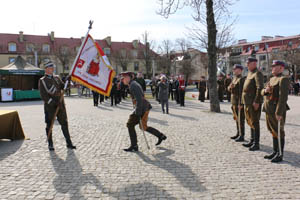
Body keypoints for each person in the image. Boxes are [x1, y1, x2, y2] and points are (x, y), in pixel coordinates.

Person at [121, 72, 167, 152]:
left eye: (124, 77)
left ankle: (134, 145)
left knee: (130, 124)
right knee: (142, 126)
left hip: (143, 108)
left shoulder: (133, 85)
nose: (123, 79)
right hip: (142, 107)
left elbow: (139, 99)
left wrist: (138, 112)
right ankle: (160, 136)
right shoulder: (132, 84)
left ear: (129, 78)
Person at [39, 60, 76, 151]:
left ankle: (69, 142)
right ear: (46, 69)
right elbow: (44, 96)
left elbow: (63, 87)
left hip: (61, 104)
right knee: (49, 124)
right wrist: (54, 103)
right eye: (51, 68)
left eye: (53, 68)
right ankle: (50, 143)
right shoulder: (42, 80)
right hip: (50, 106)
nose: (53, 69)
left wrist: (68, 81)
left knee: (64, 123)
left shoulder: (57, 78)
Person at [261, 60, 290, 163]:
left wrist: (279, 112)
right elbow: (262, 91)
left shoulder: (283, 79)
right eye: (272, 66)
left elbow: (283, 98)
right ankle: (274, 151)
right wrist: (266, 91)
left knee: (279, 131)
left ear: (281, 68)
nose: (272, 68)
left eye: (275, 66)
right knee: (272, 130)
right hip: (268, 109)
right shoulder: (271, 79)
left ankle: (280, 154)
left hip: (276, 110)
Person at [241, 57, 264, 151]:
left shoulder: (257, 73)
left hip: (253, 102)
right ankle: (252, 140)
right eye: (247, 63)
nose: (246, 64)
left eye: (248, 63)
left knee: (255, 121)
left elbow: (260, 88)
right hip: (247, 101)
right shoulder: (250, 73)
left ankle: (256, 143)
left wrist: (257, 101)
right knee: (250, 121)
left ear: (254, 64)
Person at [228, 64, 246, 142]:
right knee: (236, 118)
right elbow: (229, 88)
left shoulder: (242, 79)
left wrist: (241, 103)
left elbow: (242, 92)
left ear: (240, 70)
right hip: (233, 102)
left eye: (236, 69)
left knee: (240, 119)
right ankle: (238, 133)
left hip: (238, 102)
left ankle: (242, 135)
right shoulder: (234, 78)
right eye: (234, 69)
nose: (234, 71)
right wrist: (230, 87)